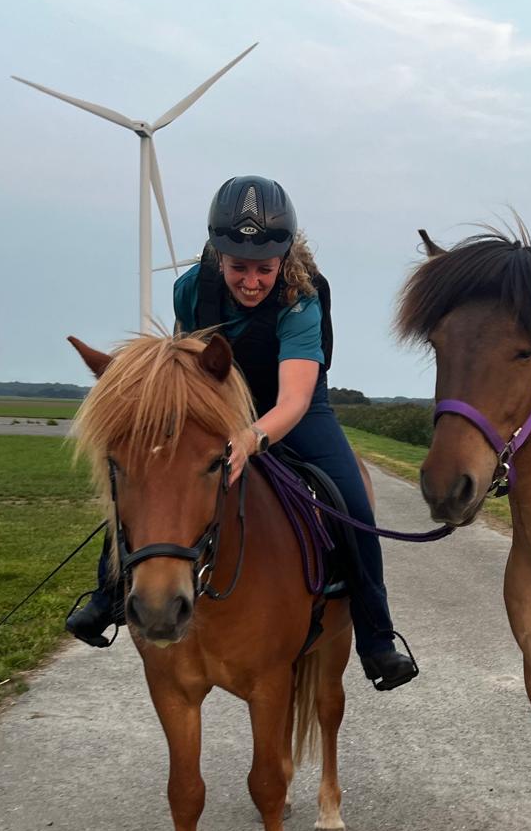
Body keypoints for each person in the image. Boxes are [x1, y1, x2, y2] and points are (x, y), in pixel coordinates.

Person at [65, 175, 419, 691]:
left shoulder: (302, 296)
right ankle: (107, 594)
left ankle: (376, 637)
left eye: (263, 269)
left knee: (352, 505)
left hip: (292, 408)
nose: (251, 281)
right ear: (217, 256)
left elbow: (295, 398)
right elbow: (187, 365)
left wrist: (251, 438)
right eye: (238, 268)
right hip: (218, 400)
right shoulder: (191, 289)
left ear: (285, 260)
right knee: (151, 482)